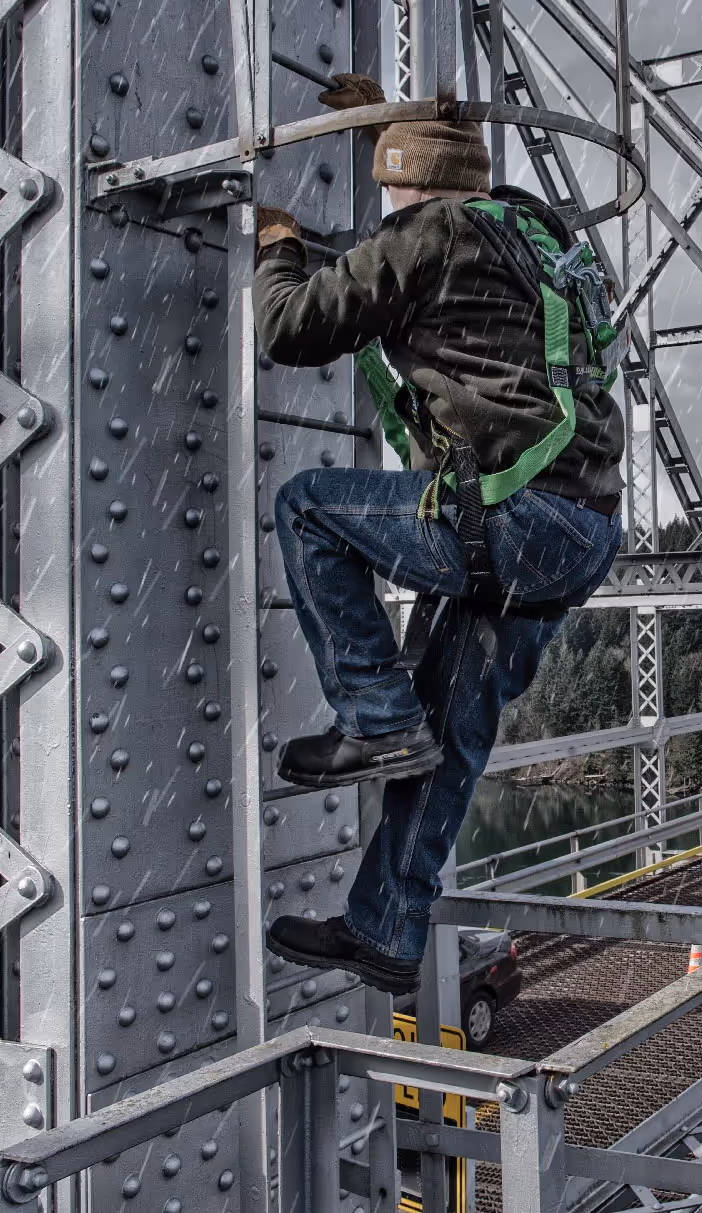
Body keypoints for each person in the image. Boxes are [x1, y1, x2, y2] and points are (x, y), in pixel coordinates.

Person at [253, 77, 625, 994]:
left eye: (390, 191)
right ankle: (385, 930)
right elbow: (448, 194)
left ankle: (373, 719)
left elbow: (289, 327)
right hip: (579, 531)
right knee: (453, 731)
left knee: (307, 507)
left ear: (409, 188)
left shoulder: (427, 236)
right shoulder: (535, 237)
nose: (383, 212)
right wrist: (396, 125)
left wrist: (279, 246)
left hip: (507, 518)